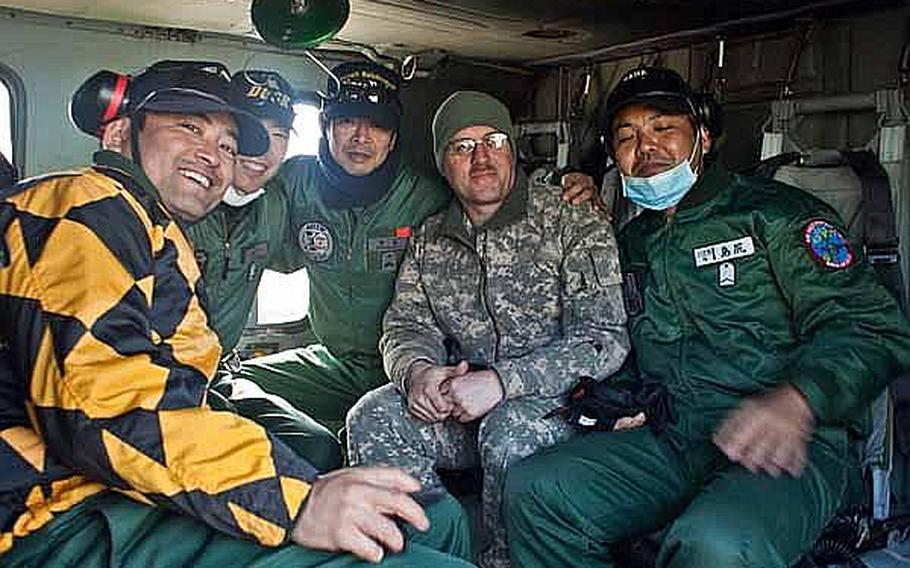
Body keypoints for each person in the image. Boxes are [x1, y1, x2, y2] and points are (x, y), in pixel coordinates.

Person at [0, 59, 473, 568]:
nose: (214, 155)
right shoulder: (85, 208)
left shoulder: (152, 228)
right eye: (189, 127)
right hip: (59, 512)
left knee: (434, 518)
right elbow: (107, 409)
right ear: (119, 132)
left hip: (130, 483)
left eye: (228, 144)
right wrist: (296, 498)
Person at [504, 66, 910, 568]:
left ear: (704, 136)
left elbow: (873, 327)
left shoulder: (777, 216)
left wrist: (798, 400)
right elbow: (625, 337)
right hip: (673, 438)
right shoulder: (632, 243)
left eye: (662, 128)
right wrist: (619, 398)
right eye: (626, 137)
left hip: (791, 445)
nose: (644, 147)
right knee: (536, 490)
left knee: (716, 543)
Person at [224, 61, 599, 437]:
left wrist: (567, 183)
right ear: (326, 126)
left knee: (372, 422)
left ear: (393, 136)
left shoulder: (427, 196)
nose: (360, 137)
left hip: (406, 367)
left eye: (377, 125)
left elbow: (490, 189)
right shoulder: (294, 183)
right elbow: (253, 227)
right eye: (347, 121)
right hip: (333, 363)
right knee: (231, 384)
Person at [346, 90, 630, 568]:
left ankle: (503, 561)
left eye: (494, 140)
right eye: (462, 146)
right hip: (464, 402)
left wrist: (502, 382)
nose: (481, 158)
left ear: (511, 149)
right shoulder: (431, 238)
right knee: (371, 416)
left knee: (507, 432)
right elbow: (406, 322)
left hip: (561, 404)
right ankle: (430, 553)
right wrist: (417, 373)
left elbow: (604, 338)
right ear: (443, 163)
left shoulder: (570, 217)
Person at [186, 69, 342, 472]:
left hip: (218, 377)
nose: (263, 150)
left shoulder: (273, 207)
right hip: (160, 383)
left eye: (279, 135)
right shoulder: (178, 201)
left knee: (318, 449)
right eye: (250, 131)